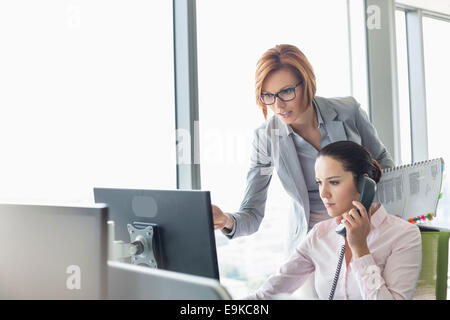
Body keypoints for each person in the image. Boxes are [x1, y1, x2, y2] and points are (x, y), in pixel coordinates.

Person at [212, 44, 394, 257]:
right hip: (311, 238)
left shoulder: (348, 111)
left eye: (287, 92)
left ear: (307, 83)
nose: (278, 105)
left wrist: (375, 208)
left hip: (365, 226)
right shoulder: (266, 138)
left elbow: (382, 162)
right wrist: (225, 220)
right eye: (268, 96)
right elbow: (252, 213)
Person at [245, 141, 422, 300]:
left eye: (334, 182)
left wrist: (360, 249)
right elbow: (268, 293)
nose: (323, 193)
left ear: (364, 184)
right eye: (320, 182)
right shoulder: (320, 234)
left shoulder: (403, 235)